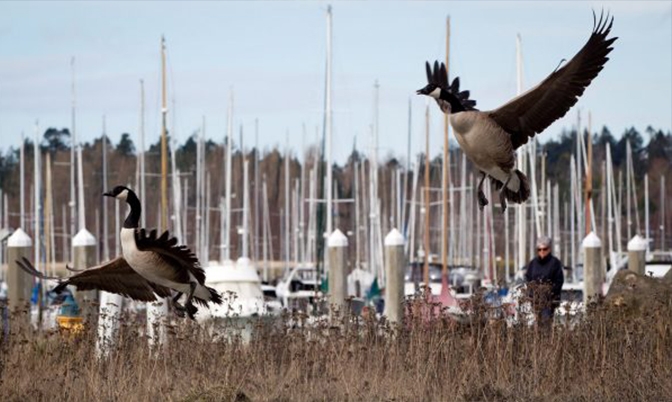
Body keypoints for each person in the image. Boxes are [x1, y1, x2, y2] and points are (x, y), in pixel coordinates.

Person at [525, 236, 564, 325]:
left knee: (546, 325)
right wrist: (531, 294)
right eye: (539, 249)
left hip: (549, 302)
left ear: (549, 249)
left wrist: (549, 293)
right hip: (535, 301)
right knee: (536, 326)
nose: (542, 251)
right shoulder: (533, 263)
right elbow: (528, 279)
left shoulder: (555, 263)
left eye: (544, 249)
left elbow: (559, 281)